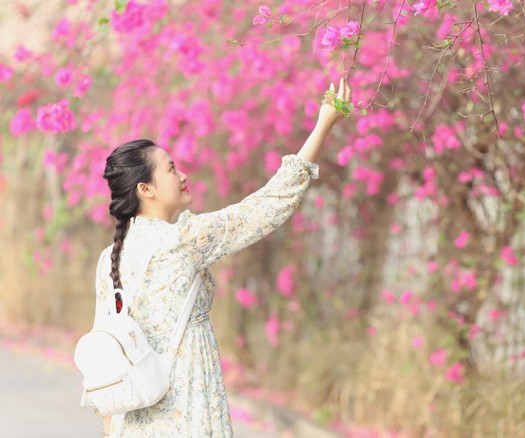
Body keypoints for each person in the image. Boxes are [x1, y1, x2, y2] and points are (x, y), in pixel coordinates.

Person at [96, 78, 351, 437]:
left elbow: (104, 351)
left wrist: (111, 429)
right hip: (187, 405)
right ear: (145, 189)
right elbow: (266, 207)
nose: (183, 175)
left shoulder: (111, 258)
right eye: (170, 169)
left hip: (132, 420)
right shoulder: (182, 239)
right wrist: (324, 124)